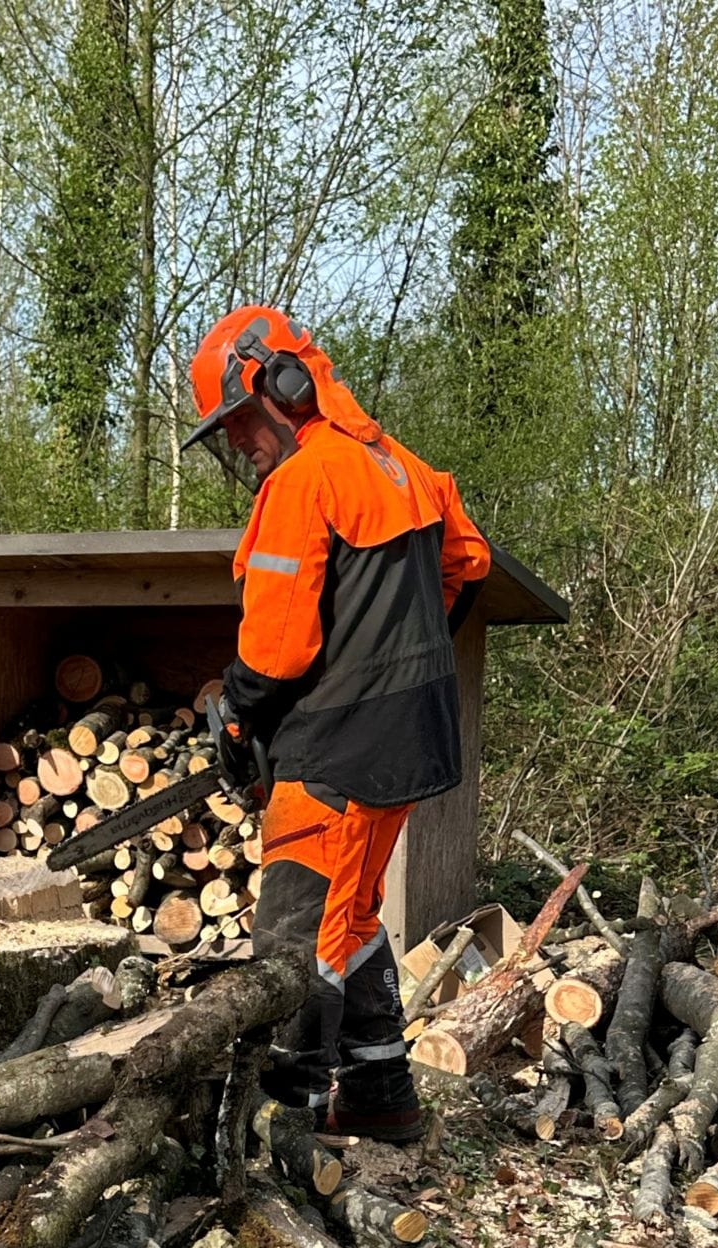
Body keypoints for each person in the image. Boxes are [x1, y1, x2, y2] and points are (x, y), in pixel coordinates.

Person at [184, 305, 491, 1144]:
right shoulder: (402, 468)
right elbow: (467, 562)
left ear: (284, 384)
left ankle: (281, 1127)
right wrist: (399, 645)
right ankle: (383, 1093)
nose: (241, 443)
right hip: (408, 740)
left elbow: (279, 650)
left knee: (291, 938)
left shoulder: (307, 479)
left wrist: (239, 712)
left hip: (336, 749)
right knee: (349, 920)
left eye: (243, 420)